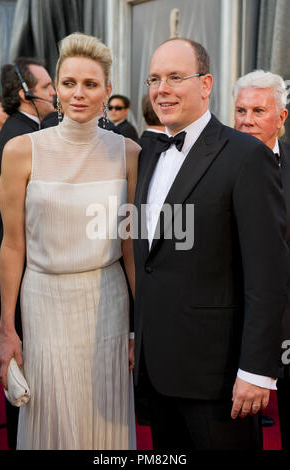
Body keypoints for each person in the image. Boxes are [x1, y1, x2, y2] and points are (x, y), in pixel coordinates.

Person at [133, 38, 289, 450]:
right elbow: (150, 258)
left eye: (174, 77)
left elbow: (268, 274)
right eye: (153, 79)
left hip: (218, 379)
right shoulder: (147, 154)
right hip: (158, 370)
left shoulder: (246, 156)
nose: (161, 88)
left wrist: (256, 370)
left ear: (206, 85)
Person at [0, 32, 139, 450]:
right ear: (56, 88)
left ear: (107, 91)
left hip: (107, 303)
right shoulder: (22, 150)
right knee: (51, 417)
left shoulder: (128, 153)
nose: (79, 94)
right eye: (69, 83)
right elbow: (12, 245)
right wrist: (8, 327)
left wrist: (140, 328)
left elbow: (130, 248)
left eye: (91, 84)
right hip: (43, 303)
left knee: (105, 422)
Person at [0, 57, 55, 449]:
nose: (54, 93)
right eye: (48, 86)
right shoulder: (19, 141)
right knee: (23, 384)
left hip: (24, 280)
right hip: (25, 282)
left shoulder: (23, 133)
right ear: (24, 94)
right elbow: (9, 231)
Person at [234, 69, 290, 448]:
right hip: (241, 325)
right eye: (240, 110)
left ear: (281, 117)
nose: (247, 120)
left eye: (258, 110)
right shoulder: (220, 162)